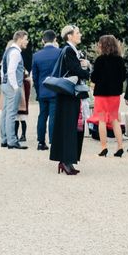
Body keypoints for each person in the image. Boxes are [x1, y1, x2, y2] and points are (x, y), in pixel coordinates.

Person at [49, 25, 91, 175]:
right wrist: (86, 71)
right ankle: (66, 161)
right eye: (77, 33)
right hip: (69, 94)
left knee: (71, 126)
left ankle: (68, 160)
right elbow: (75, 69)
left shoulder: (70, 50)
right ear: (69, 36)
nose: (80, 35)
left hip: (68, 94)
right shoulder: (68, 50)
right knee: (69, 126)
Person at [90, 35, 127, 157]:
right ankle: (120, 147)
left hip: (101, 94)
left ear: (103, 45)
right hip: (114, 94)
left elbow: (94, 77)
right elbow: (123, 77)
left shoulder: (100, 60)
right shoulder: (120, 60)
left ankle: (104, 147)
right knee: (114, 120)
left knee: (101, 120)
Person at [31, 30, 61, 151]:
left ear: (43, 40)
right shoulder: (59, 52)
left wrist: (38, 91)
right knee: (53, 116)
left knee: (42, 116)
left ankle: (40, 142)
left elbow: (35, 77)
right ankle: (53, 142)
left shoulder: (36, 55)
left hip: (43, 90)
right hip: (55, 89)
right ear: (55, 40)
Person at [0, 31, 29, 149]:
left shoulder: (8, 51)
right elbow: (11, 71)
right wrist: (16, 87)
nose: (27, 42)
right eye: (26, 39)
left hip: (6, 84)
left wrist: (4, 82)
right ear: (20, 39)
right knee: (11, 114)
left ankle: (4, 139)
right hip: (12, 86)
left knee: (5, 113)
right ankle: (12, 141)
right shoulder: (16, 53)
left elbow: (3, 70)